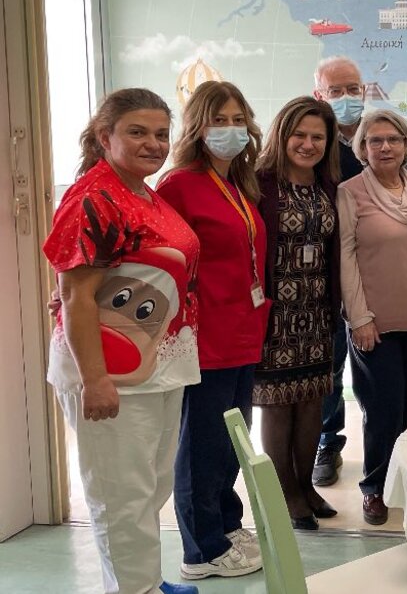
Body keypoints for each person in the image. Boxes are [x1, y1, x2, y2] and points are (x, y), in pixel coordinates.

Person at [43, 87, 202, 594]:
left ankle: (144, 580)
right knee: (121, 495)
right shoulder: (94, 197)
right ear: (104, 135)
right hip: (109, 370)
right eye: (137, 132)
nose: (153, 144)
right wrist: (95, 380)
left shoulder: (141, 191)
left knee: (151, 483)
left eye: (161, 134)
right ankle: (135, 590)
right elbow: (76, 295)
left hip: (156, 363)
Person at [156, 81, 267, 580]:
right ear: (197, 127)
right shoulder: (179, 185)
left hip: (243, 330)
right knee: (202, 444)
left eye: (238, 119)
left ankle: (226, 522)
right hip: (206, 338)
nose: (230, 129)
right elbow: (165, 265)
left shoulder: (239, 184)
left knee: (232, 440)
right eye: (219, 120)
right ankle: (200, 550)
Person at [338, 110, 407, 525]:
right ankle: (375, 487)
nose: (385, 147)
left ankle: (405, 481)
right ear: (362, 149)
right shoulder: (350, 192)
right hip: (376, 323)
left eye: (394, 139)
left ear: (406, 145)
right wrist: (359, 317)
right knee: (382, 411)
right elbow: (346, 258)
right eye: (375, 141)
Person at [254, 97, 341, 530]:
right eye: (299, 135)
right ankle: (285, 492)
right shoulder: (260, 183)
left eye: (317, 137)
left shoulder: (327, 183)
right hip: (275, 316)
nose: (308, 144)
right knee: (278, 405)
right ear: (282, 135)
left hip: (317, 311)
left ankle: (306, 487)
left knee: (311, 402)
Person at [311, 56, 366, 488]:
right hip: (324, 275)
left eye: (353, 89)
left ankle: (384, 445)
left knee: (373, 364)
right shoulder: (315, 143)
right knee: (329, 367)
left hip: (373, 272)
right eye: (336, 91)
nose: (346, 98)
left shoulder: (377, 135)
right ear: (319, 95)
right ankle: (328, 443)